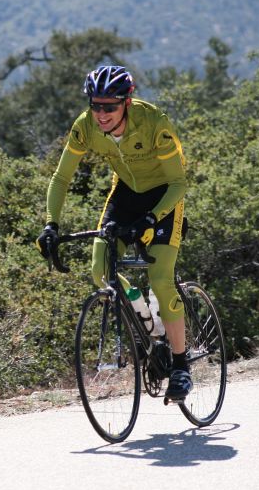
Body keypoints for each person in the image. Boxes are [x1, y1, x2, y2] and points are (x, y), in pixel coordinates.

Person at [36, 64, 192, 401]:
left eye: (110, 106)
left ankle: (181, 366)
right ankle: (146, 321)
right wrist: (51, 223)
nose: (101, 114)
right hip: (124, 195)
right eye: (95, 105)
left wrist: (152, 218)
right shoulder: (85, 127)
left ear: (127, 102)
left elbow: (179, 182)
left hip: (163, 198)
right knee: (99, 271)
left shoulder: (154, 124)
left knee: (161, 280)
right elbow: (61, 178)